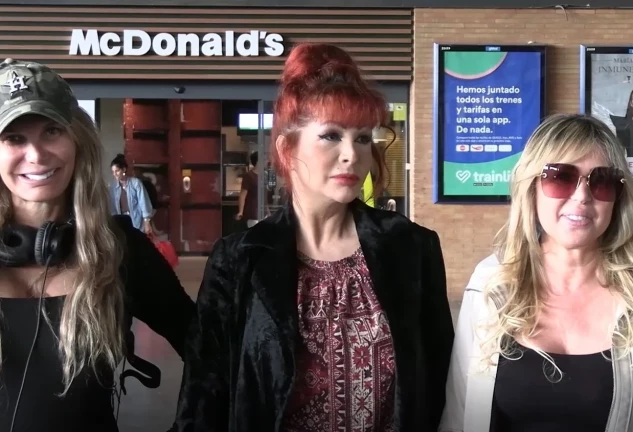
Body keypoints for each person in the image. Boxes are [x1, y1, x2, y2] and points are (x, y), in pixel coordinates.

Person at [174, 43, 454, 432]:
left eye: (361, 138)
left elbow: (441, 384)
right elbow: (204, 398)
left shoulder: (411, 248)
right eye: (331, 136)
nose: (351, 155)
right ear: (288, 150)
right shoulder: (240, 259)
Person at [0, 58, 195, 432]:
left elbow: (211, 352)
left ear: (77, 140)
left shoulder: (121, 250)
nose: (37, 155)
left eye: (52, 131)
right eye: (13, 138)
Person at [440, 114, 633, 431]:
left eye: (601, 181)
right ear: (531, 188)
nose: (582, 196)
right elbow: (458, 416)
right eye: (560, 177)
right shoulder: (491, 286)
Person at [110, 153, 154, 235]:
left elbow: (143, 202)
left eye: (117, 171)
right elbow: (113, 207)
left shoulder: (135, 183)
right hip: (122, 222)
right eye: (113, 172)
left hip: (137, 221)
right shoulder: (113, 186)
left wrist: (146, 221)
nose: (114, 174)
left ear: (123, 169)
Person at [236, 151, 260, 228]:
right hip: (252, 214)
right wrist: (240, 212)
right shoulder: (248, 176)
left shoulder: (263, 175)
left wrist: (268, 211)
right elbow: (242, 195)